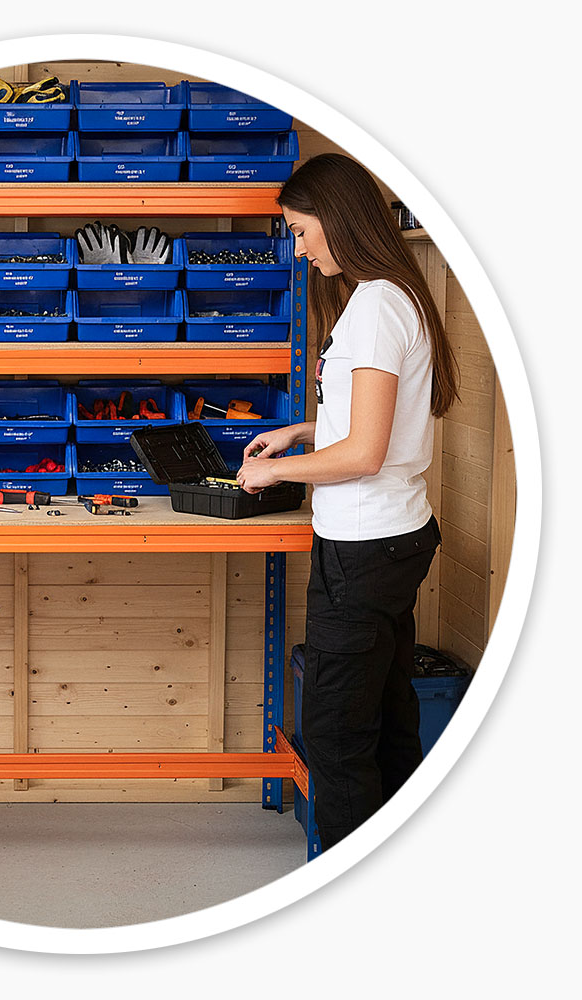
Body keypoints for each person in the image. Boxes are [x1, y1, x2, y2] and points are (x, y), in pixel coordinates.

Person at [236, 153, 460, 850]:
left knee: (335, 734)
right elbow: (374, 424)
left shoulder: (374, 309)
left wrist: (276, 474)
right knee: (387, 722)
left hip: (365, 549)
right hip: (390, 538)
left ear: (336, 220)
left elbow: (363, 454)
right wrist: (304, 429)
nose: (298, 250)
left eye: (301, 231)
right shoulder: (392, 294)